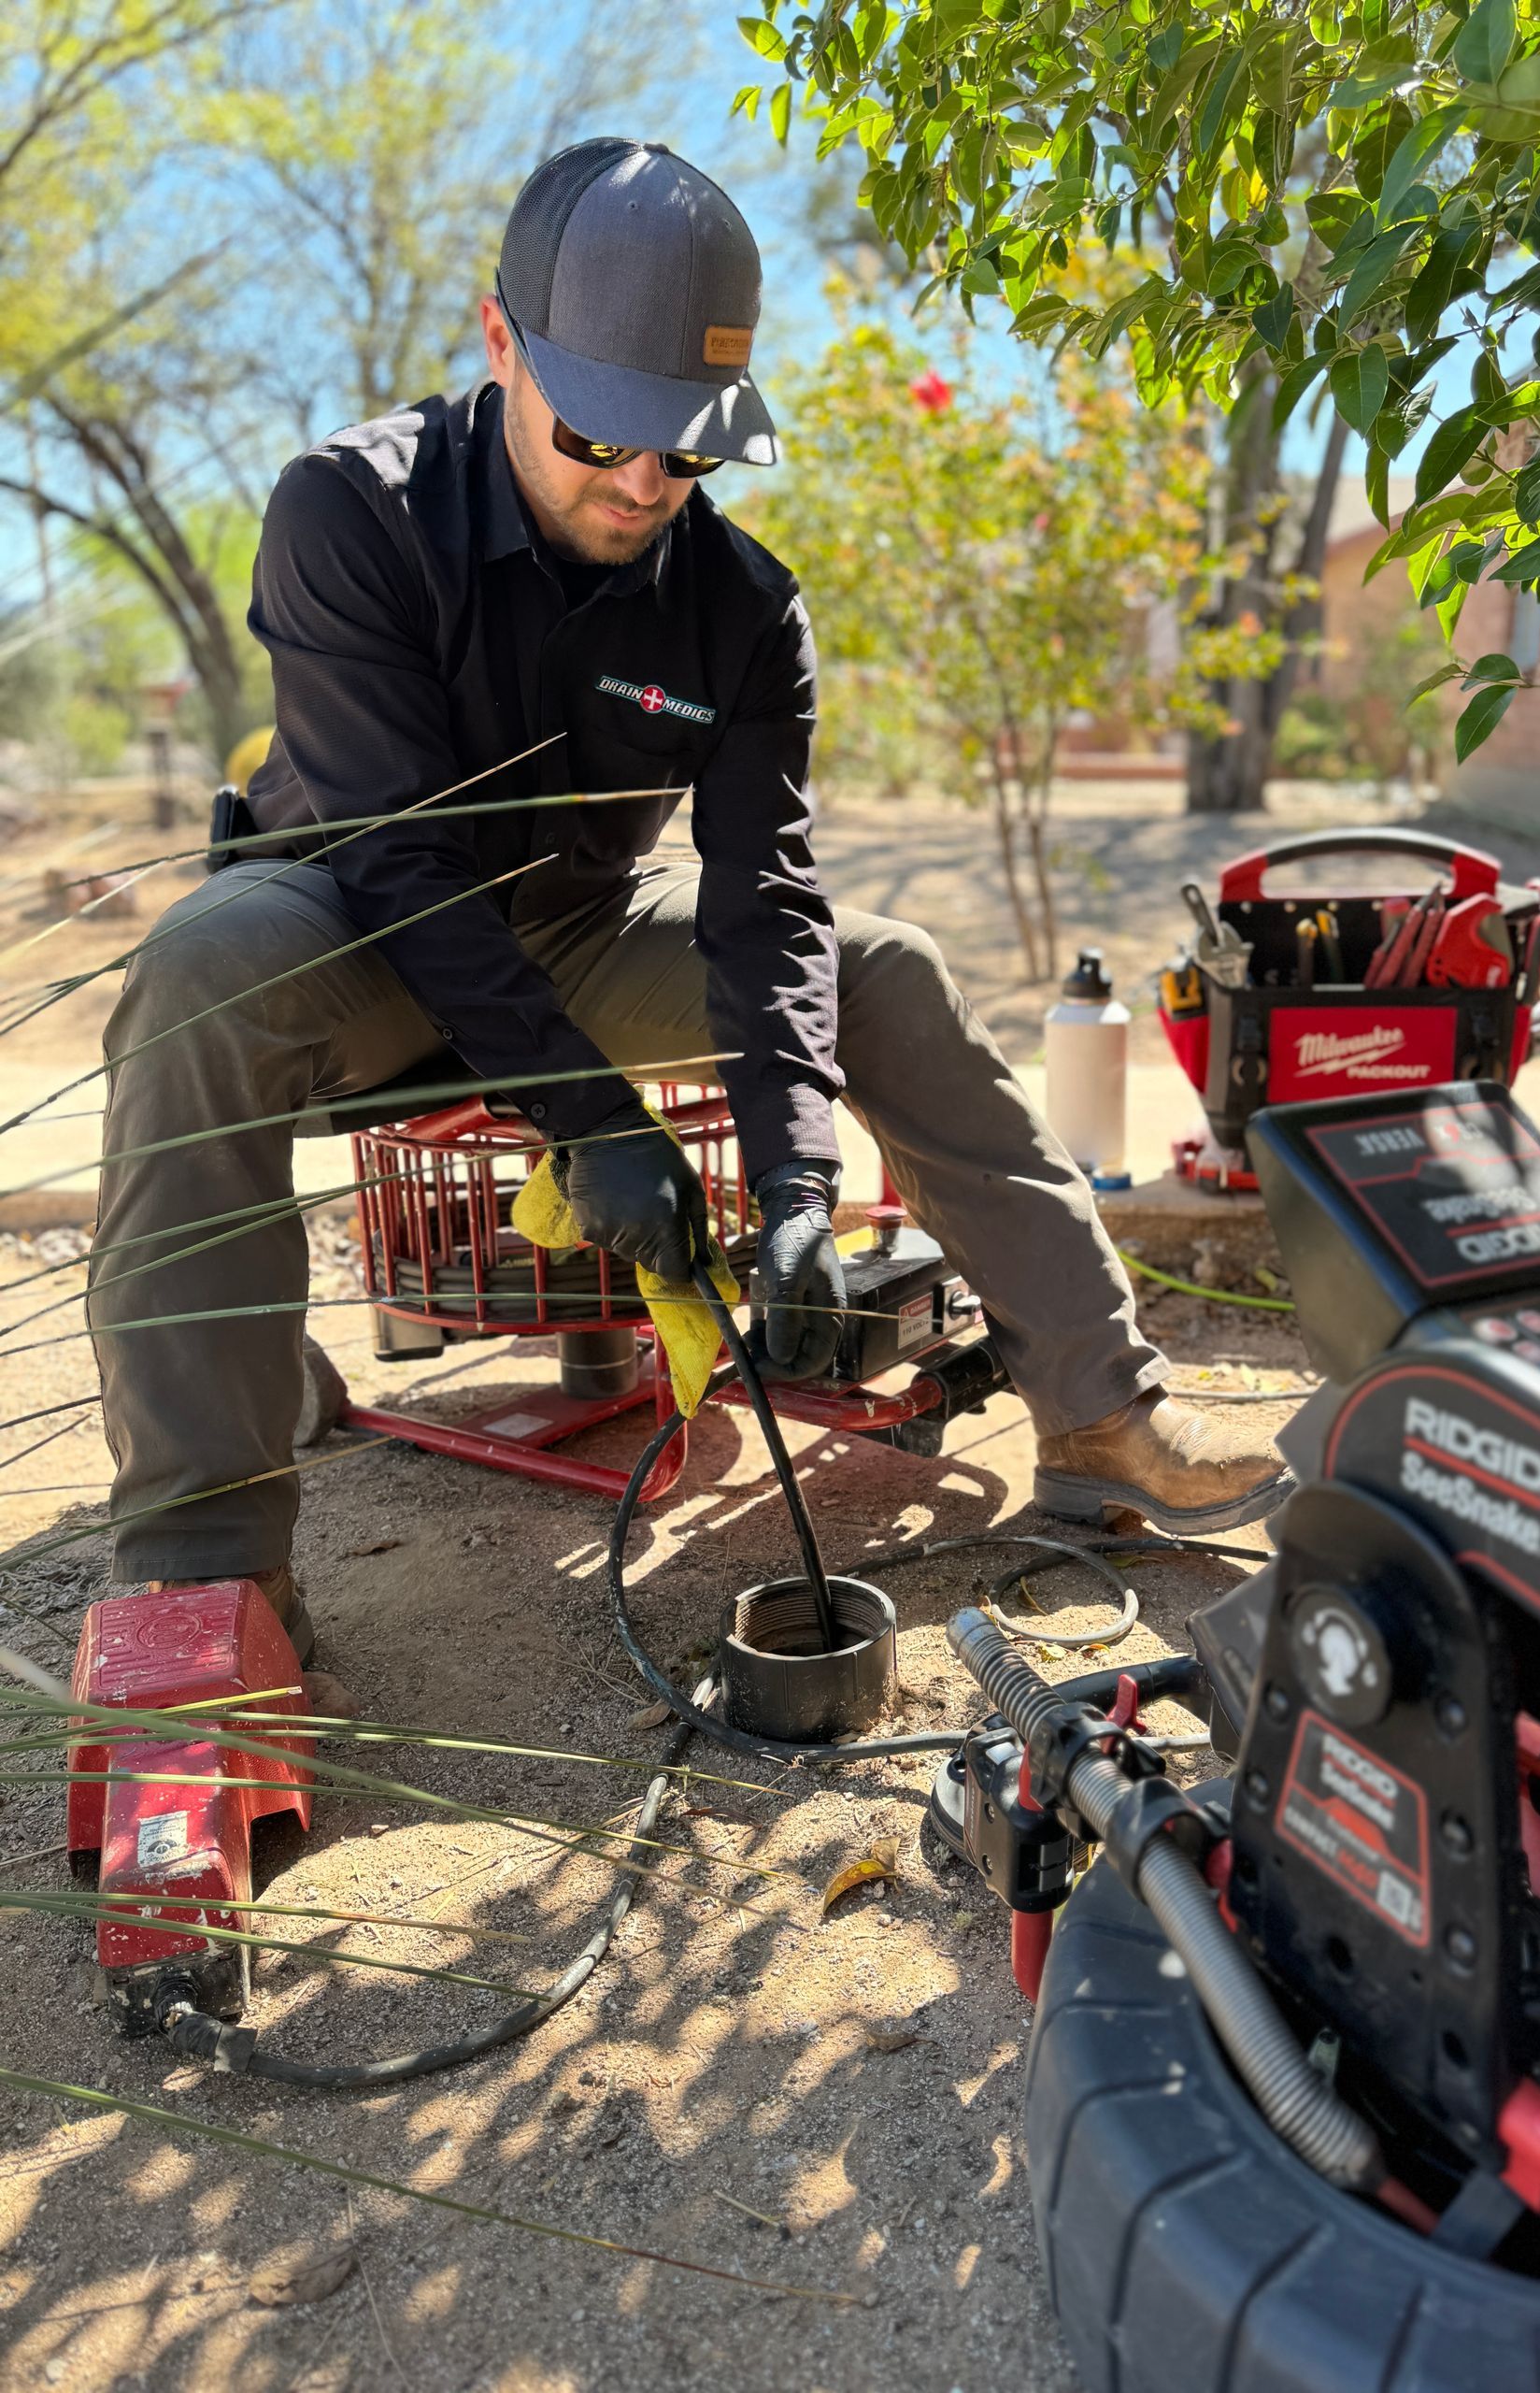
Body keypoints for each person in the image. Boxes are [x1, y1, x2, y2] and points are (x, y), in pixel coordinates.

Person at [90, 138, 1285, 1663]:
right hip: (350, 923)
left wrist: (794, 1197)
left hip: (575, 927)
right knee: (202, 970)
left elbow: (765, 899)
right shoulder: (350, 508)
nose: (646, 482)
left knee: (887, 965)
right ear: (500, 341)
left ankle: (1104, 1414)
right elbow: (403, 863)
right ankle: (206, 1574)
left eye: (691, 449)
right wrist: (597, 1123)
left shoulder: (743, 607)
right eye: (602, 434)